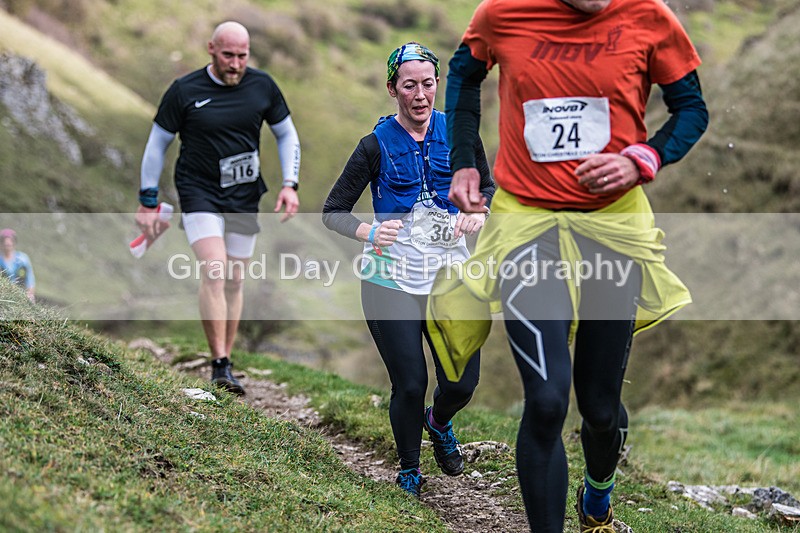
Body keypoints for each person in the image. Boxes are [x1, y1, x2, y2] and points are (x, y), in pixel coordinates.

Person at [430, 0, 709, 530]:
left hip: (611, 229)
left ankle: (597, 496)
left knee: (600, 410)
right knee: (547, 399)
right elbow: (464, 78)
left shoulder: (650, 18)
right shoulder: (502, 14)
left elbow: (691, 108)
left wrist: (642, 158)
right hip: (527, 229)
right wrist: (464, 161)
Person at [322, 42, 495, 498]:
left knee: (461, 382)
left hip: (450, 278)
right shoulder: (373, 146)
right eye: (409, 86)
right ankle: (409, 471)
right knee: (411, 381)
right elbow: (333, 209)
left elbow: (488, 185)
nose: (420, 94)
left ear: (437, 84)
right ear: (392, 89)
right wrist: (366, 233)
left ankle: (439, 423)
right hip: (389, 278)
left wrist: (480, 209)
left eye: (427, 84)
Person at [135, 21, 301, 396]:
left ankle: (227, 359)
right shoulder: (184, 91)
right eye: (228, 55)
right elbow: (156, 144)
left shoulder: (263, 86)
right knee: (215, 269)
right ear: (211, 49)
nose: (236, 64)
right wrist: (147, 200)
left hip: (243, 195)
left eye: (243, 56)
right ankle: (220, 364)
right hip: (199, 191)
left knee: (235, 279)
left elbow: (286, 133)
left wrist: (290, 185)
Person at [0, 228, 35, 303]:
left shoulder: (23, 259)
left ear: (14, 243)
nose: (8, 244)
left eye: (10, 242)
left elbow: (30, 280)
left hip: (21, 295)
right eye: (5, 242)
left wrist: (30, 295)